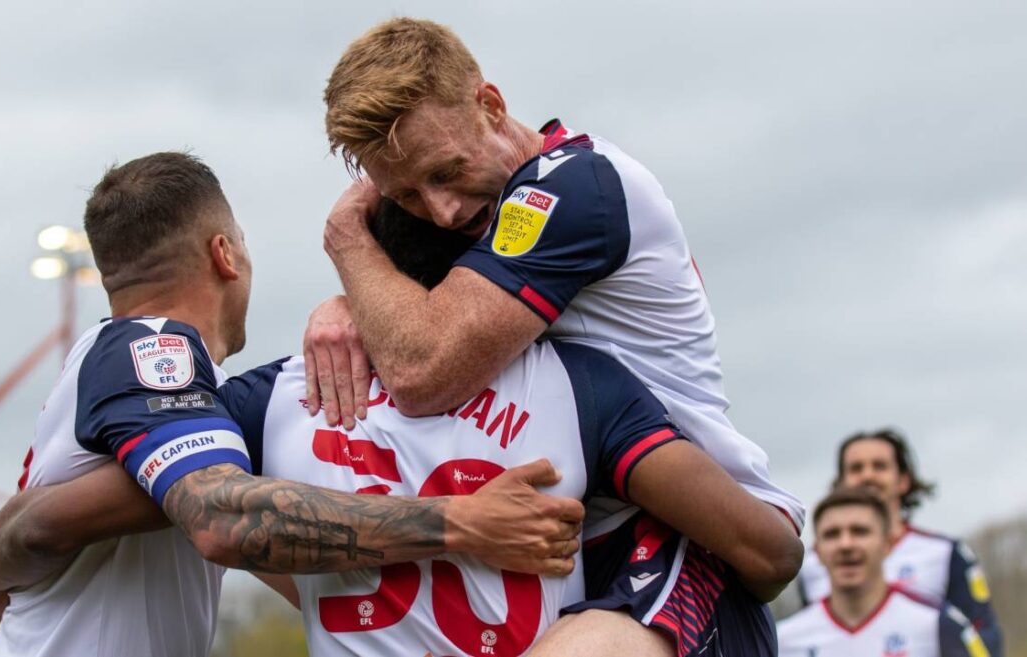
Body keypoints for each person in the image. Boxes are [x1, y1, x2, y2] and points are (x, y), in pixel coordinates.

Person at [0, 198, 802, 657]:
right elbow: (766, 553)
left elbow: (52, 520)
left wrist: (6, 541)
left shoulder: (268, 402)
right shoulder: (582, 386)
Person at [0, 152, 584, 657]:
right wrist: (461, 523)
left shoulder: (138, 383)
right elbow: (225, 519)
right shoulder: (153, 349)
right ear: (225, 254)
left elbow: (25, 541)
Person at [304, 17, 806, 542]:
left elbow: (421, 370)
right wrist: (346, 305)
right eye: (406, 195)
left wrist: (349, 242)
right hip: (585, 534)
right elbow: (407, 324)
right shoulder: (485, 210)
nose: (443, 211)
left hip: (693, 533)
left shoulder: (572, 184)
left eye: (447, 171)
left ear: (491, 106)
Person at [796, 428, 1002, 654]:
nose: (867, 476)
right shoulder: (811, 565)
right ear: (841, 481)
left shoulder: (943, 552)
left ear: (903, 480)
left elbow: (983, 633)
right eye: (856, 468)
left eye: (879, 466)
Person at [778, 487, 991, 657]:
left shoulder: (936, 624)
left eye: (860, 531)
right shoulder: (783, 639)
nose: (846, 544)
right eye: (832, 534)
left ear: (888, 544)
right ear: (818, 551)